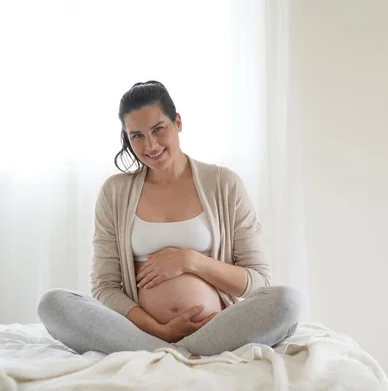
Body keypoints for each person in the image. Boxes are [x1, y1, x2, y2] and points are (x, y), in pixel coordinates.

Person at [37, 81, 301, 359]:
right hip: (141, 332)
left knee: (288, 302)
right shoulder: (114, 192)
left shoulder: (224, 184)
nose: (150, 145)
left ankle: (171, 353)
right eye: (136, 135)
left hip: (215, 331)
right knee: (52, 304)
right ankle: (170, 351)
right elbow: (105, 287)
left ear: (177, 122)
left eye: (158, 129)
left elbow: (259, 282)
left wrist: (191, 261)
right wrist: (158, 329)